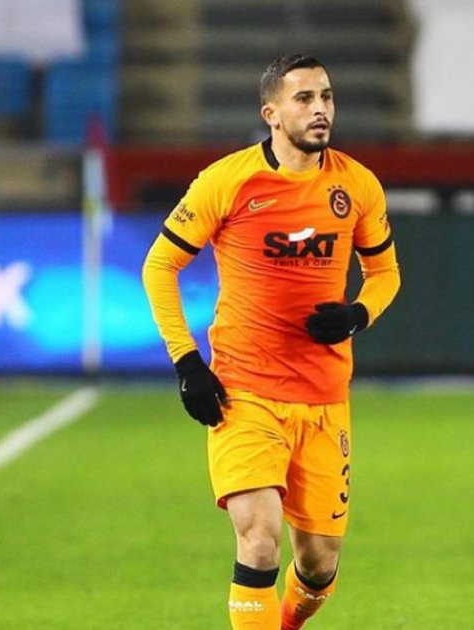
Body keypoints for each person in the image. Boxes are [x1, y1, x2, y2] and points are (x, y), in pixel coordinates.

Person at [142, 53, 401, 630]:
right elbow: (159, 266)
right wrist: (187, 362)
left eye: (326, 96)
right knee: (259, 541)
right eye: (304, 98)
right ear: (272, 113)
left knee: (319, 563)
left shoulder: (357, 185)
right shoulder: (227, 181)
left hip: (324, 396)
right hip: (245, 392)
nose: (320, 109)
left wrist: (358, 313)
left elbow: (385, 273)